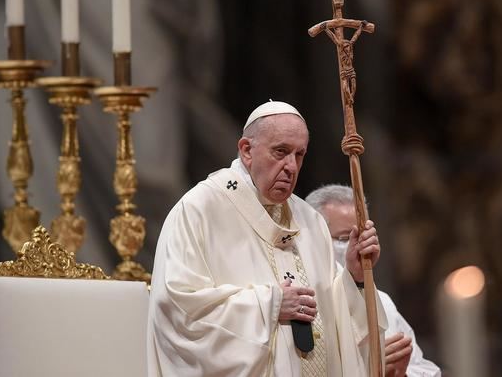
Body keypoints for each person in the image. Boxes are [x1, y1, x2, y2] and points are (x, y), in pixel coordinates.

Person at [147, 100, 387, 376]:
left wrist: (354, 277)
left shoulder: (310, 220)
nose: (291, 167)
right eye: (280, 152)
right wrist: (269, 305)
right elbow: (177, 311)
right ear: (246, 150)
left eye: (299, 154)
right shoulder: (199, 210)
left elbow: (335, 321)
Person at [305, 185, 441, 377]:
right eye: (345, 238)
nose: (359, 247)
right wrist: (369, 371)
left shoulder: (382, 303)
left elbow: (425, 370)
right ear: (313, 240)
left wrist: (400, 374)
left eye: (363, 237)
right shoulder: (304, 304)